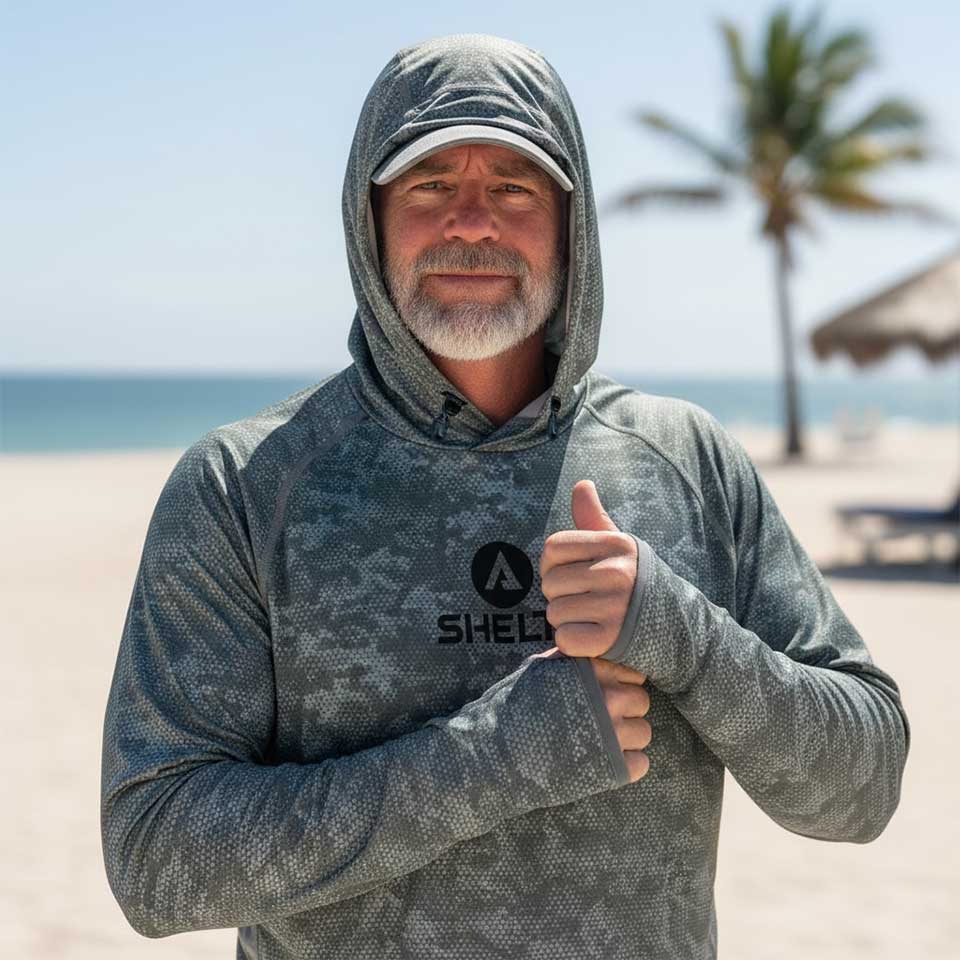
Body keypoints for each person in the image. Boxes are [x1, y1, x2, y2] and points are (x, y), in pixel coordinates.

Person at [100, 33, 911, 960]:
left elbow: (863, 790)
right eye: (430, 185)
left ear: (573, 223)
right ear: (370, 220)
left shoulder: (688, 459)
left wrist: (684, 634)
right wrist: (500, 756)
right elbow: (156, 859)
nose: (473, 223)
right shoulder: (244, 488)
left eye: (515, 187)